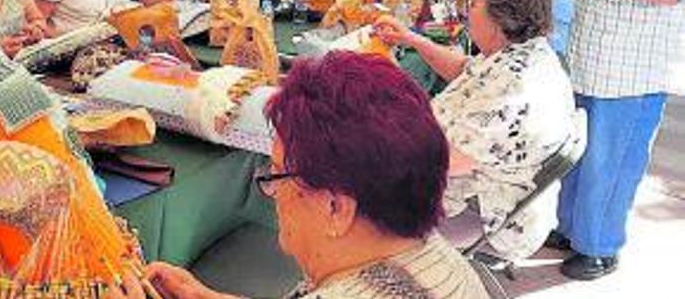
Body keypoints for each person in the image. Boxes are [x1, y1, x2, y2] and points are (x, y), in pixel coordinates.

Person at [107, 52, 489, 299]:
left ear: (336, 207)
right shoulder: (431, 253)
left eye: (277, 175)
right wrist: (201, 296)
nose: (272, 194)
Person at [545, 0, 685, 280]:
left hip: (632, 75)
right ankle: (570, 229)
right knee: (577, 154)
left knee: (613, 163)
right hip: (586, 63)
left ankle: (600, 247)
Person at [375, 0, 580, 261]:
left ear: (500, 16)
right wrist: (412, 39)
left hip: (482, 211)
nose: (466, 11)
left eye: (472, 2)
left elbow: (438, 162)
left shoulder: (514, 88)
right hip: (479, 188)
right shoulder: (522, 54)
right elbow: (463, 70)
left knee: (342, 190)